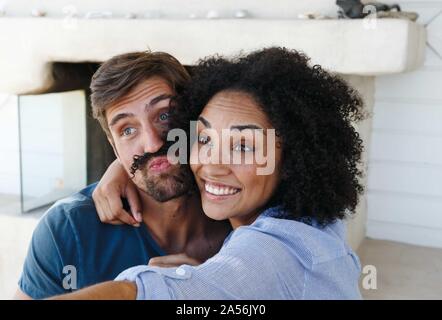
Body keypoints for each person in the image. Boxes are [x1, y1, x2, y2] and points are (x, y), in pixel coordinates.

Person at [52, 47, 365, 300]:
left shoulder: (278, 252)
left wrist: (197, 283)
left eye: (244, 146)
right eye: (204, 139)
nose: (213, 165)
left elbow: (154, 295)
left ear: (293, 158)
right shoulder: (317, 217)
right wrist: (126, 164)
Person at [15, 51, 231, 299]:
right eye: (127, 129)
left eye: (164, 115)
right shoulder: (68, 230)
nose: (151, 143)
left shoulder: (240, 216)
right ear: (114, 146)